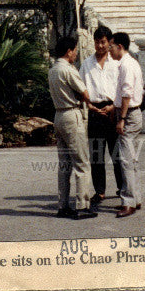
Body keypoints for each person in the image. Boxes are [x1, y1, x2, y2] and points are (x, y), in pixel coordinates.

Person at [47, 35, 97, 219]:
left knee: (64, 165)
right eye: (75, 50)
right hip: (71, 115)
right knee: (82, 163)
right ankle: (83, 205)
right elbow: (85, 92)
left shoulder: (52, 70)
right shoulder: (68, 70)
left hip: (58, 115)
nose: (76, 53)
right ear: (69, 52)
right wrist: (88, 101)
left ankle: (63, 205)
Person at [80, 24, 124, 206]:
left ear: (109, 43)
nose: (100, 46)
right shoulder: (87, 63)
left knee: (117, 154)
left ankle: (123, 189)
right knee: (97, 155)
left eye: (103, 42)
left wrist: (114, 107)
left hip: (112, 110)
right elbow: (80, 87)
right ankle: (100, 191)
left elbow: (123, 89)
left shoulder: (116, 63)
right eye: (97, 42)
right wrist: (88, 105)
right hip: (95, 111)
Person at [109, 31, 144, 218]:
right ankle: (135, 197)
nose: (109, 50)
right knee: (131, 159)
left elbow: (127, 94)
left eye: (111, 46)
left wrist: (121, 118)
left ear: (120, 47)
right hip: (130, 114)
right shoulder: (129, 64)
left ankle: (128, 201)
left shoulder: (126, 66)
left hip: (129, 115)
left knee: (125, 160)